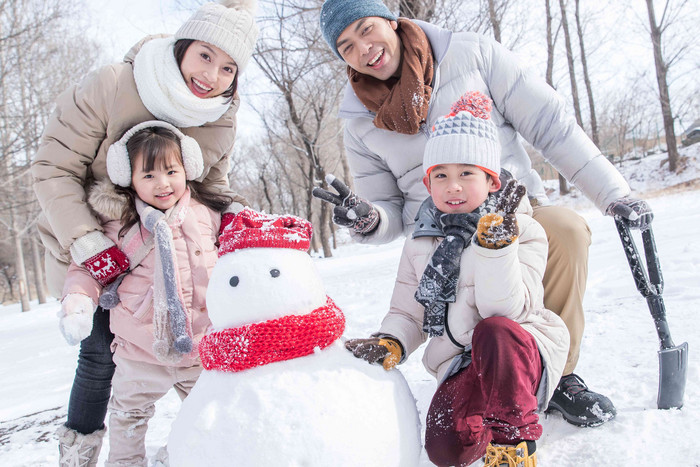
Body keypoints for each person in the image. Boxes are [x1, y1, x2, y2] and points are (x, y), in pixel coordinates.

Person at [316, 0, 654, 427]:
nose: (363, 48)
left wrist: (613, 194)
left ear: (390, 20)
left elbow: (551, 124)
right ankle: (477, 378)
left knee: (566, 231)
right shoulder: (359, 122)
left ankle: (559, 374)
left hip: (514, 207)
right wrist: (369, 219)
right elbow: (387, 208)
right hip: (440, 233)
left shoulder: (472, 54)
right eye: (346, 46)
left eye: (366, 29)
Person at [30, 0, 258, 464]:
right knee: (99, 359)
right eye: (205, 55)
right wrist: (87, 241)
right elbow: (53, 168)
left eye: (229, 67)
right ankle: (81, 454)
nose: (212, 75)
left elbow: (210, 182)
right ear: (181, 48)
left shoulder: (220, 112)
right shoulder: (115, 84)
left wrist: (236, 217)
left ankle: (210, 449)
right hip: (99, 242)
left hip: (178, 246)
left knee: (200, 370)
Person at [343, 92, 569, 466]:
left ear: (492, 181)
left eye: (467, 173)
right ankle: (490, 416)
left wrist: (495, 248)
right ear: (428, 184)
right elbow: (408, 310)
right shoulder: (422, 241)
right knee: (447, 452)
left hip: (518, 351)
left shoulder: (524, 230)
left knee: (493, 331)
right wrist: (393, 341)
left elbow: (508, 310)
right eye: (441, 176)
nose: (454, 186)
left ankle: (514, 441)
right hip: (461, 361)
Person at [60, 122, 228, 466]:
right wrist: (77, 301)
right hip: (139, 351)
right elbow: (87, 268)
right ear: (129, 178)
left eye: (171, 171)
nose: (162, 183)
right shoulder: (120, 225)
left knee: (215, 418)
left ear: (187, 169)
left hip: (201, 348)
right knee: (127, 420)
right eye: (148, 175)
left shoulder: (207, 215)